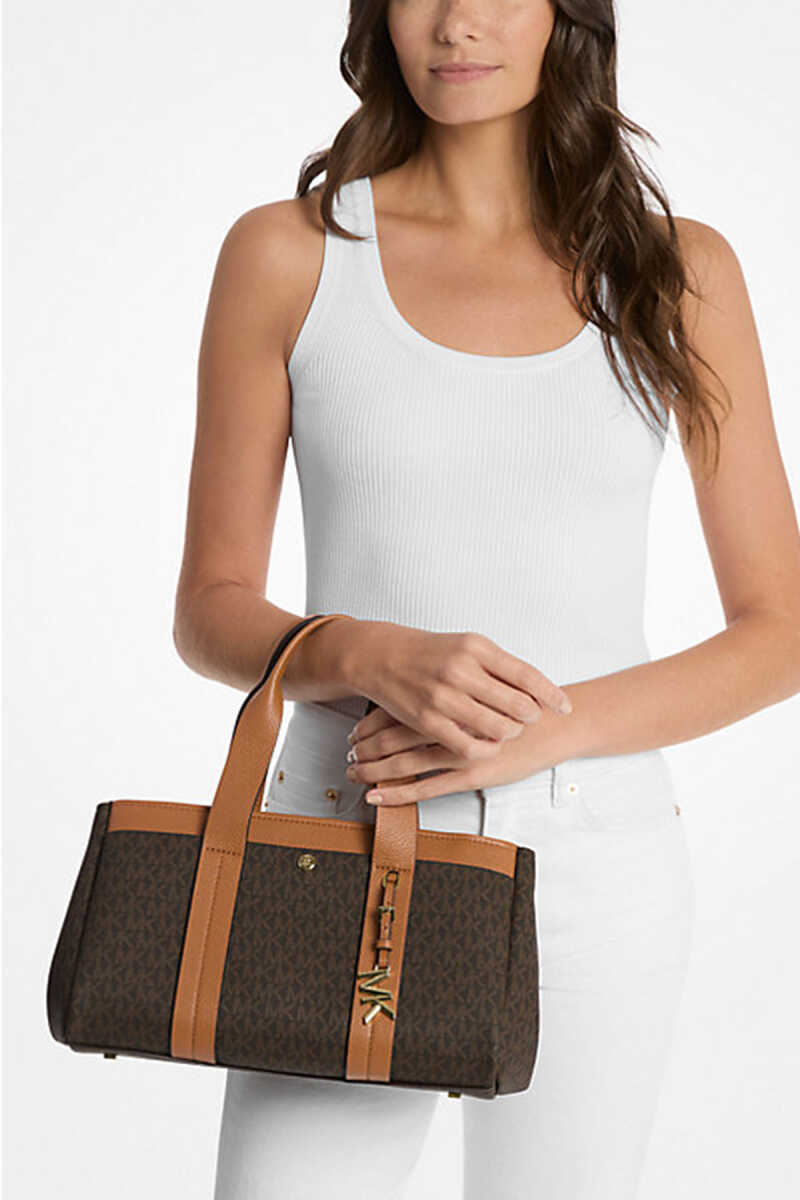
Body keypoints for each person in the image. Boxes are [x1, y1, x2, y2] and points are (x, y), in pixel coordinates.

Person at [172, 3, 800, 1197]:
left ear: (568, 17)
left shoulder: (674, 270)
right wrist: (361, 650)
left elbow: (780, 628)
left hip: (594, 858)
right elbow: (208, 608)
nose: (457, 22)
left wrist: (537, 731)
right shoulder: (289, 254)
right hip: (342, 830)